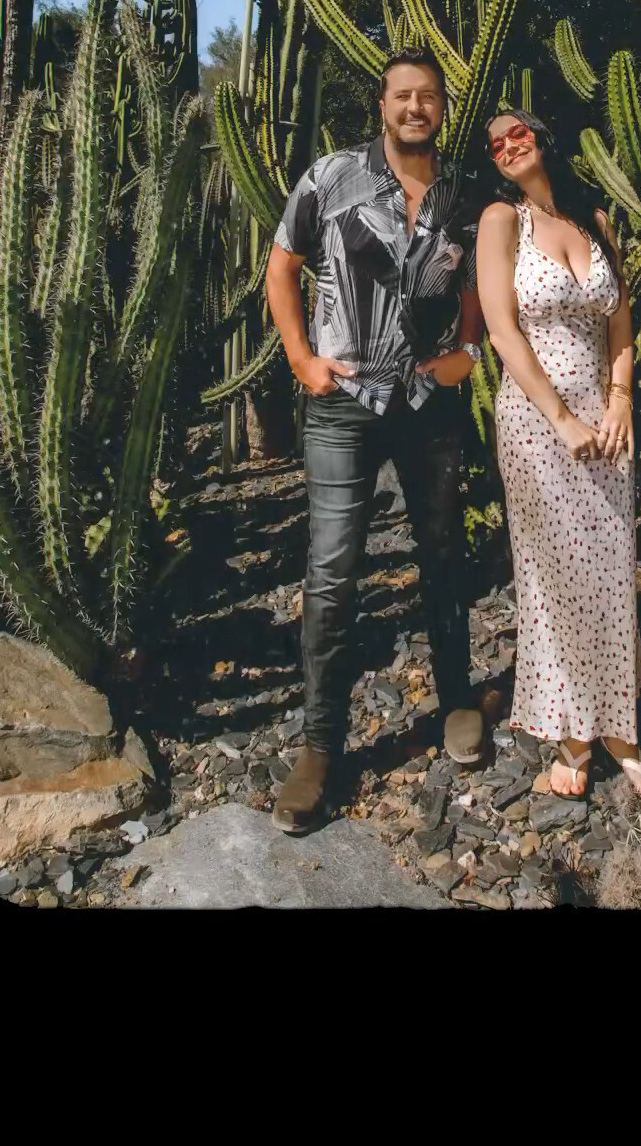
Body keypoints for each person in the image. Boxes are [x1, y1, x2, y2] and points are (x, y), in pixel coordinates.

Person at [264, 48, 487, 833]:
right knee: (332, 571)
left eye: (428, 96)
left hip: (428, 401)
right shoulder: (331, 177)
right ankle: (320, 747)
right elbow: (282, 267)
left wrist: (468, 348)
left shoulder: (464, 191)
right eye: (402, 95)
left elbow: (475, 282)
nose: (415, 107)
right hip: (343, 405)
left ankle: (457, 701)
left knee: (443, 552)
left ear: (441, 107)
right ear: (382, 105)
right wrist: (301, 358)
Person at [475, 107, 641, 804]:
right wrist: (559, 419)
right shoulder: (502, 221)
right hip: (536, 422)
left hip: (604, 419)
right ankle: (571, 734)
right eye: (495, 144)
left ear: (543, 135)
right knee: (554, 578)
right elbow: (502, 330)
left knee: (611, 571)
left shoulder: (595, 220)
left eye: (517, 132)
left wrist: (620, 400)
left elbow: (621, 323)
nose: (508, 146)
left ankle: (619, 728)